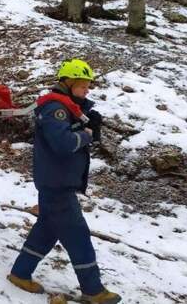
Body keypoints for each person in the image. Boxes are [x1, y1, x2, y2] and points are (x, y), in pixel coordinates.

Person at [7, 59, 121, 304]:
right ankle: (93, 290)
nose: (87, 90)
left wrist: (87, 120)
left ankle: (20, 273)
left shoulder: (67, 107)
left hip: (57, 180)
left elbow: (71, 132)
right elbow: (63, 143)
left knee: (46, 230)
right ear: (68, 84)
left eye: (88, 86)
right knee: (78, 235)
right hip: (57, 183)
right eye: (82, 86)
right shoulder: (54, 109)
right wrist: (87, 133)